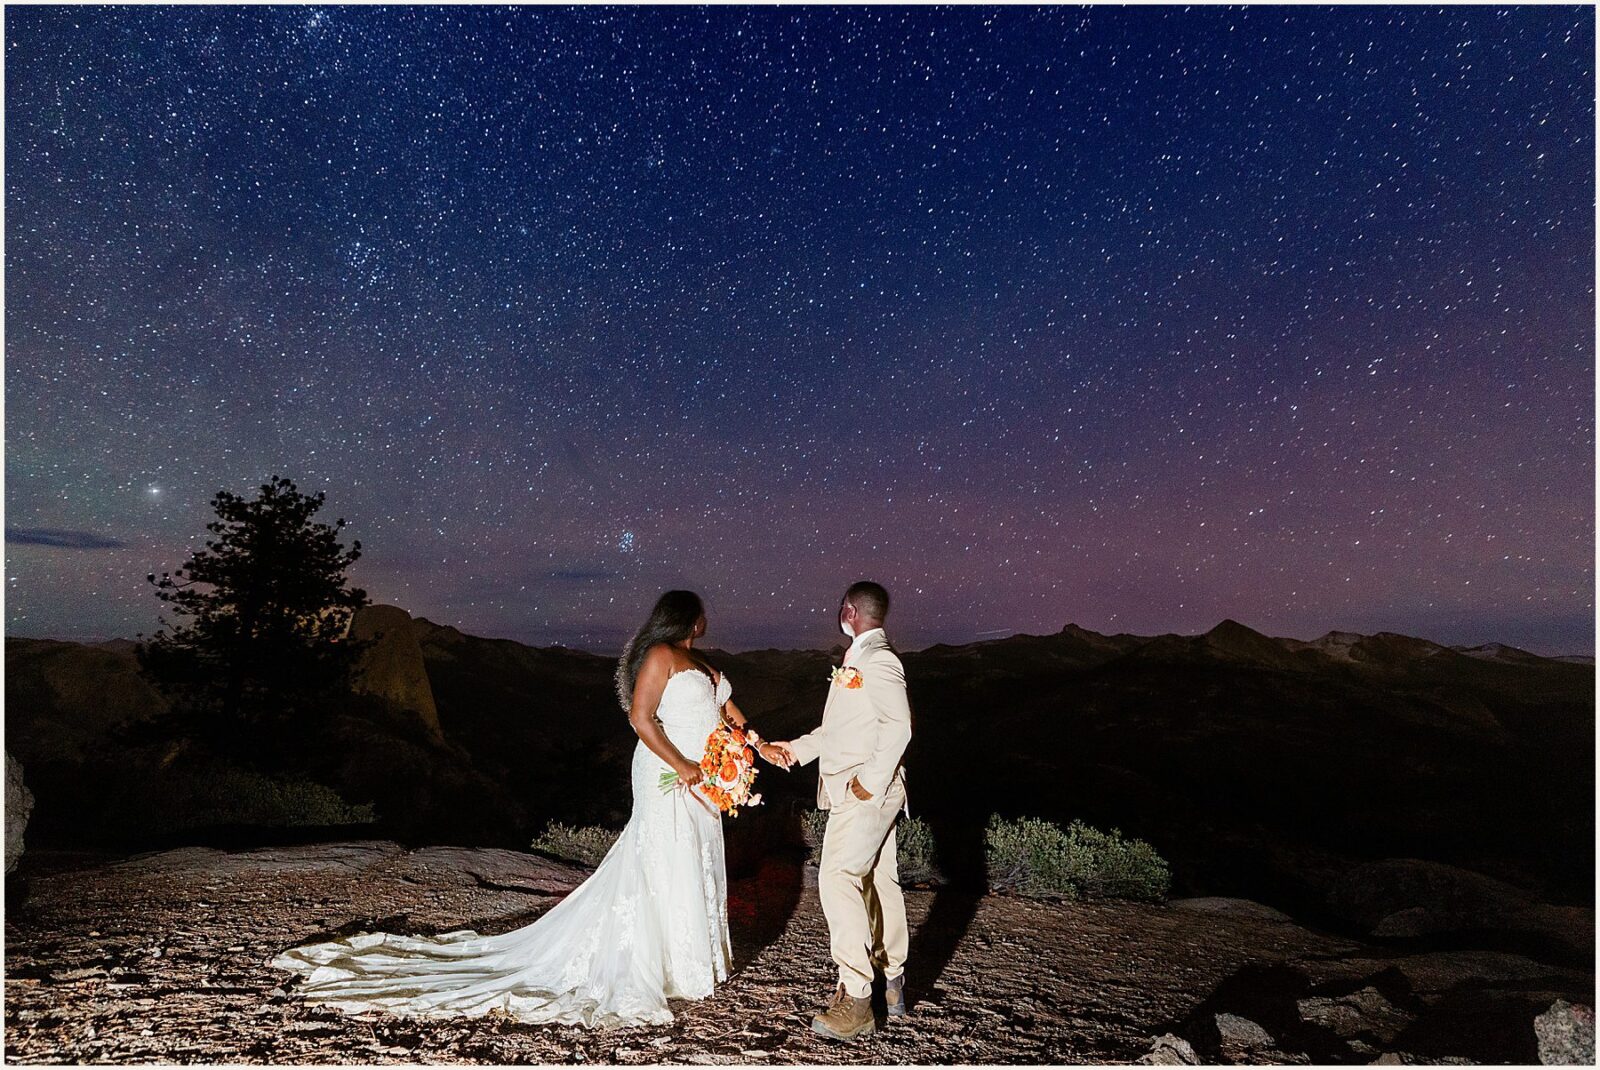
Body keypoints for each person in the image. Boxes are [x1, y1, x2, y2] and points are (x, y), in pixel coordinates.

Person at [271, 590, 768, 1028]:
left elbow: (728, 713)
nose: (706, 620)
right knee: (663, 855)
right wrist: (681, 763)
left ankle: (686, 964)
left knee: (693, 857)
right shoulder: (660, 654)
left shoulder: (705, 666)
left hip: (707, 776)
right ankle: (647, 963)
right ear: (689, 619)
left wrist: (757, 748)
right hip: (668, 770)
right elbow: (641, 718)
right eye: (702, 613)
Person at [764, 580, 912, 1040]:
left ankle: (857, 997)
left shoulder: (878, 660)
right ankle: (893, 981)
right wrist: (792, 750)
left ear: (849, 611)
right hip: (874, 790)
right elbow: (836, 732)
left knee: (836, 877)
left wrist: (868, 783)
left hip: (867, 792)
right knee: (878, 879)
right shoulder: (858, 660)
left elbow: (900, 727)